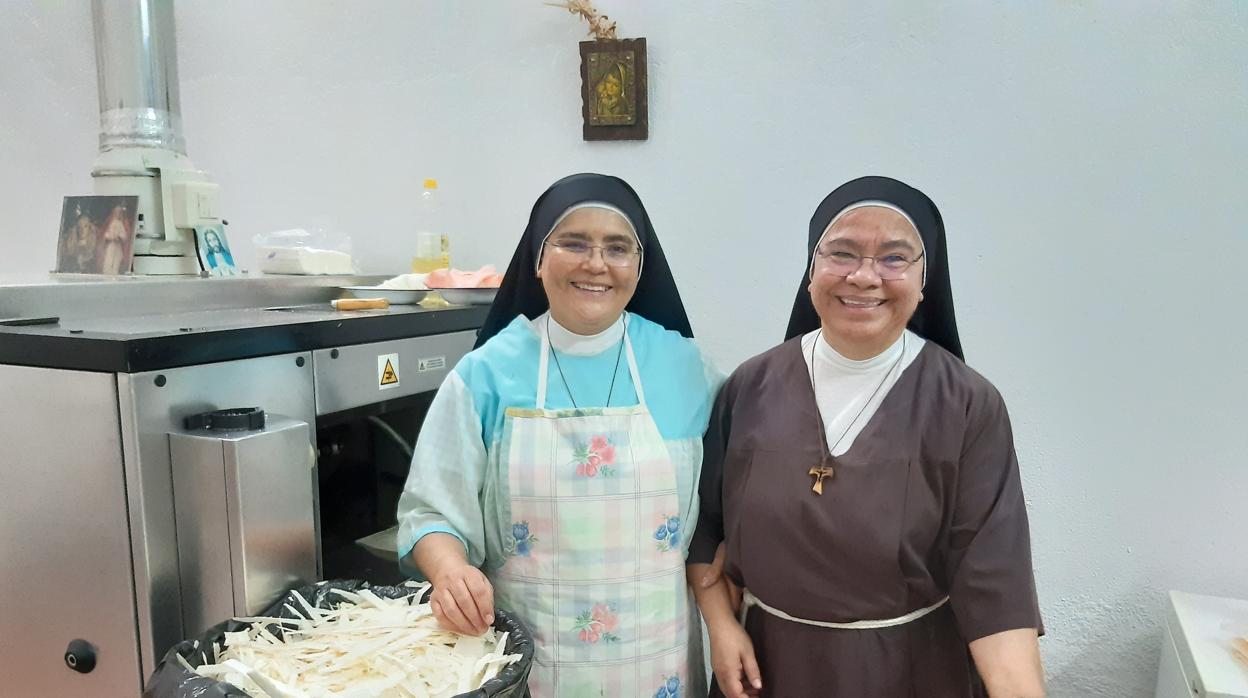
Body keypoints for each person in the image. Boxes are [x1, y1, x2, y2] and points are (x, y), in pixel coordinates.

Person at [688, 176, 1044, 697]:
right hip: (767, 668)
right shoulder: (750, 387)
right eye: (842, 253)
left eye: (894, 258)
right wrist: (721, 625)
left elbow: (997, 586)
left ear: (926, 279)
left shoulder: (967, 405)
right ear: (811, 270)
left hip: (910, 672)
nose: (863, 276)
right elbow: (709, 532)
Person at [397, 173, 722, 697]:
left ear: (640, 267)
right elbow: (430, 512)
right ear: (537, 258)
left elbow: (727, 511)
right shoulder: (485, 374)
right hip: (530, 658)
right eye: (574, 242)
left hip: (656, 662)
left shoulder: (686, 369)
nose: (596, 263)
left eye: (617, 248)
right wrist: (449, 570)